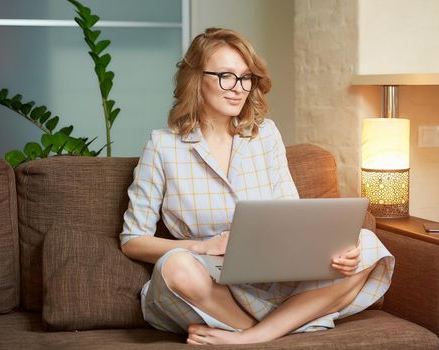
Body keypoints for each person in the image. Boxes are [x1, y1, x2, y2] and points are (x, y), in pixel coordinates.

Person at [120, 27, 394, 345]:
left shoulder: (265, 136)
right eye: (225, 75)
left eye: (245, 78)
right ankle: (287, 324)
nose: (238, 88)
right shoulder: (163, 146)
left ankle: (252, 336)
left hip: (274, 277)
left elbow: (292, 216)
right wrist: (202, 247)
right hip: (208, 284)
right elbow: (132, 241)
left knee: (367, 242)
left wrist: (338, 254)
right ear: (195, 78)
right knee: (177, 266)